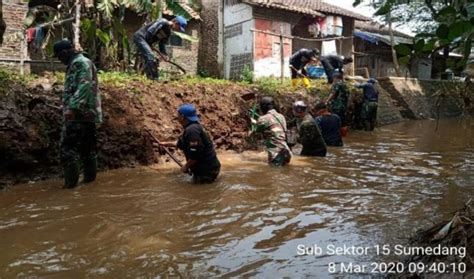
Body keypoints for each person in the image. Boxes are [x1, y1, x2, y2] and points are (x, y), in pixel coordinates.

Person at [53, 40, 102, 188]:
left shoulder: (80, 63)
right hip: (87, 113)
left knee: (68, 149)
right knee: (88, 149)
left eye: (59, 57)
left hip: (78, 115)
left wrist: (72, 108)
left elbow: (84, 85)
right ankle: (89, 186)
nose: (59, 60)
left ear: (64, 53)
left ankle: (70, 188)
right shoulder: (79, 63)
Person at [160, 104, 221, 183]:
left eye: (178, 114)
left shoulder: (191, 131)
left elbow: (196, 153)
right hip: (209, 168)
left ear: (182, 117)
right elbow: (181, 143)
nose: (177, 117)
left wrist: (186, 166)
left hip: (206, 171)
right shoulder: (193, 128)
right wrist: (165, 144)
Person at [133, 16, 187, 80]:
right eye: (179, 27)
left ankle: (150, 78)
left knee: (151, 59)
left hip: (146, 41)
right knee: (150, 56)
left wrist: (164, 54)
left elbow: (162, 43)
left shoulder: (168, 33)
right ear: (175, 22)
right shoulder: (163, 22)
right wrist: (149, 43)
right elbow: (150, 31)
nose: (178, 29)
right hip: (140, 37)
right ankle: (155, 78)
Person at [251, 97, 292, 166]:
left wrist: (254, 123)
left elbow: (256, 131)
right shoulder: (281, 116)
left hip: (276, 154)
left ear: (264, 107)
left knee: (275, 173)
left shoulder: (263, 118)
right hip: (286, 151)